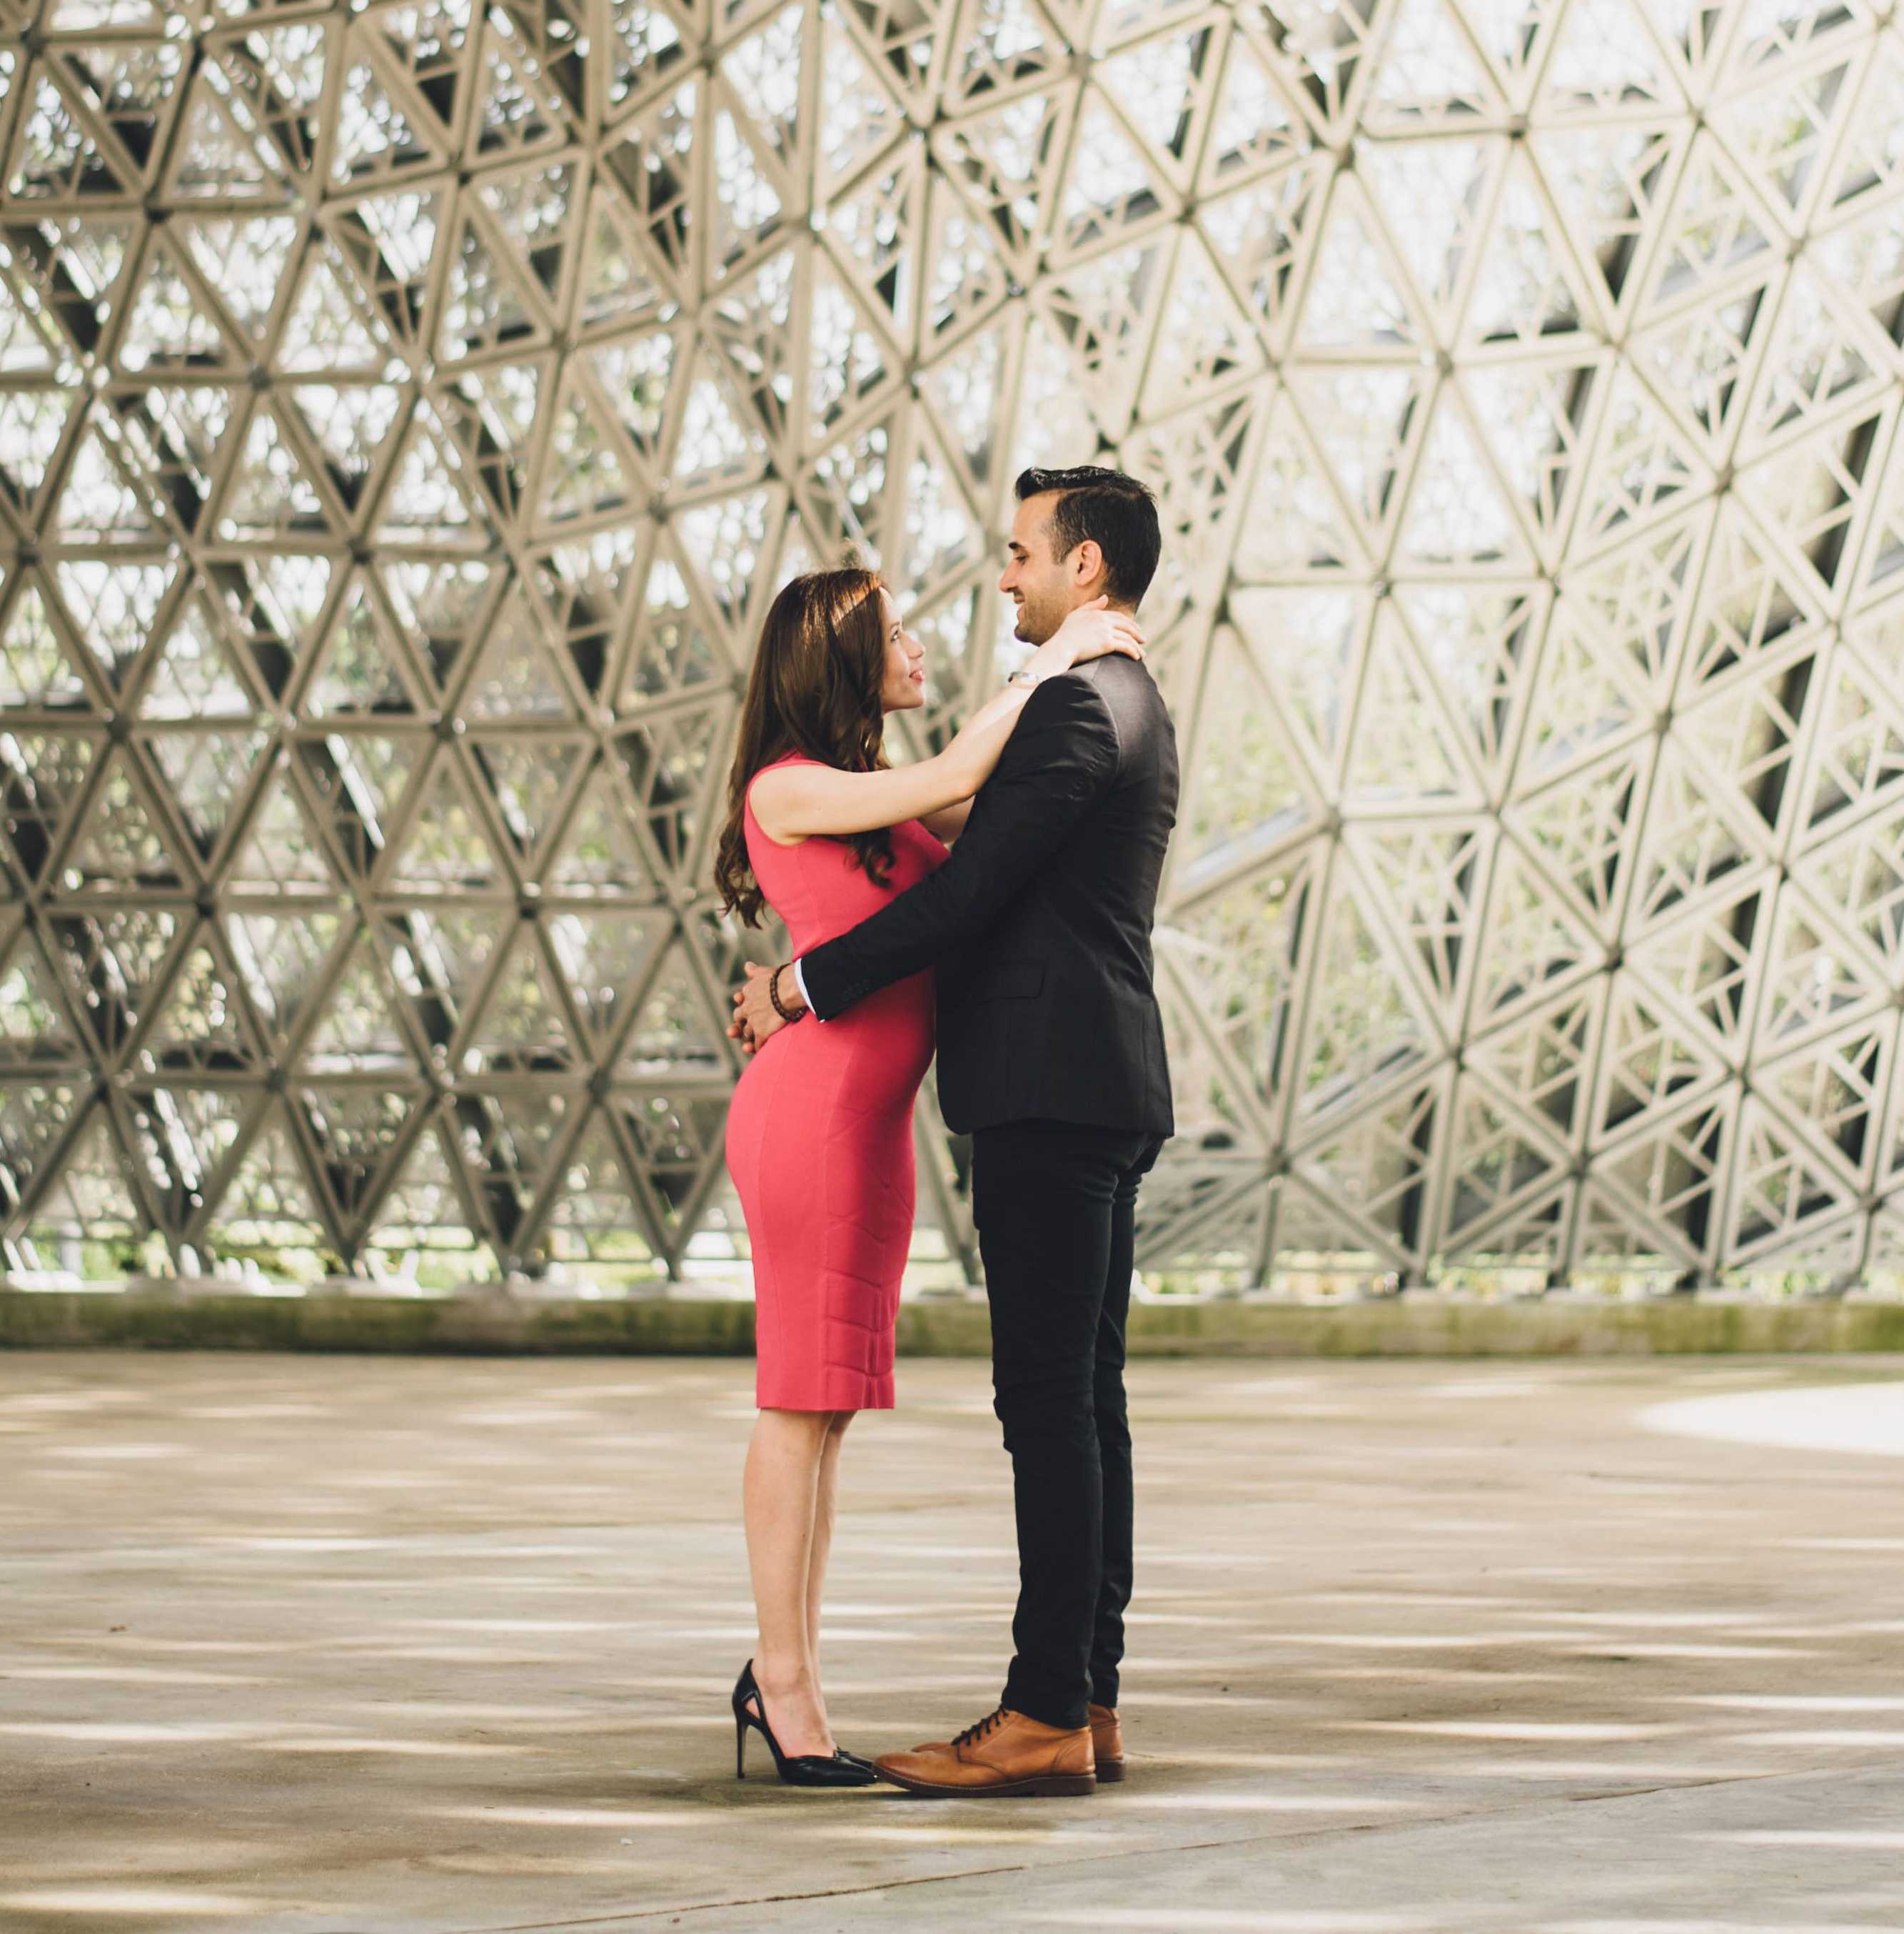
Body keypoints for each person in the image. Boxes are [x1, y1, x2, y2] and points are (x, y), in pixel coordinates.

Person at [730, 466, 1177, 1798]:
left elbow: (964, 885)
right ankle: (1053, 1695)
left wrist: (796, 984)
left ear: (1084, 567)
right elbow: (941, 826)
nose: (1001, 577)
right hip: (915, 1105)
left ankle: (1056, 1703)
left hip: (1043, 1088)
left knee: (1057, 1405)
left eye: (1022, 551)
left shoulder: (1079, 702)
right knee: (1057, 1404)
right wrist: (792, 988)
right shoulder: (1106, 696)